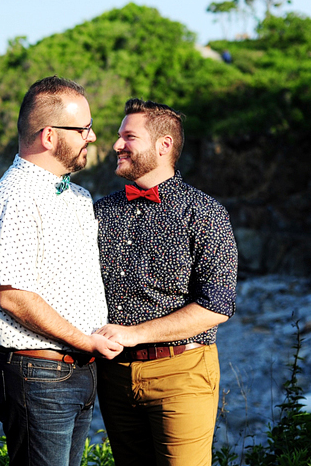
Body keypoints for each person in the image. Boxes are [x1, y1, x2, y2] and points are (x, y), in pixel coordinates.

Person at [0, 76, 122, 466]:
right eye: (83, 129)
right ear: (50, 136)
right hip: (37, 374)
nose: (92, 137)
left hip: (77, 371)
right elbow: (13, 296)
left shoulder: (77, 196)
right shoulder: (13, 200)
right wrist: (84, 340)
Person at [93, 98, 238, 466]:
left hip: (183, 373)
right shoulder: (100, 211)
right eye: (118, 136)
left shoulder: (205, 214)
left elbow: (217, 306)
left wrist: (135, 333)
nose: (116, 145)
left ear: (164, 145)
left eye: (129, 136)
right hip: (113, 377)